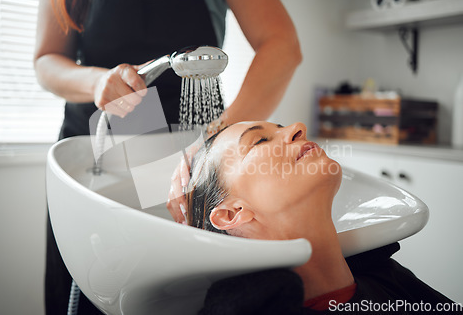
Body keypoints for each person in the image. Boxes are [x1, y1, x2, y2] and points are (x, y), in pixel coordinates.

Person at [34, 0, 301, 313]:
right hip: (97, 145)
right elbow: (46, 61)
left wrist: (217, 137)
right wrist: (97, 82)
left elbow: (283, 47)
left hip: (197, 148)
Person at [184, 121, 461, 314]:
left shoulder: (388, 277)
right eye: (260, 140)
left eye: (281, 127)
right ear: (232, 213)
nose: (297, 128)